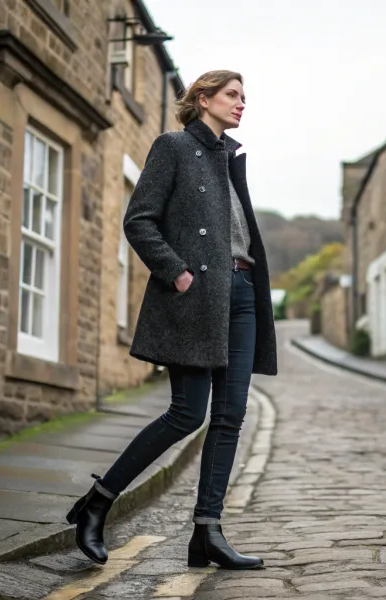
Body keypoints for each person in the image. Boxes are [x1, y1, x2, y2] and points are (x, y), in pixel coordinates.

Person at [65, 70, 277, 571]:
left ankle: (208, 532)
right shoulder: (173, 147)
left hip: (242, 293)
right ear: (202, 99)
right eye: (232, 95)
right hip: (197, 294)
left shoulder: (230, 158)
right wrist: (177, 272)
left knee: (230, 415)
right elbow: (139, 219)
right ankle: (97, 503)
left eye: (244, 97)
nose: (241, 103)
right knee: (187, 413)